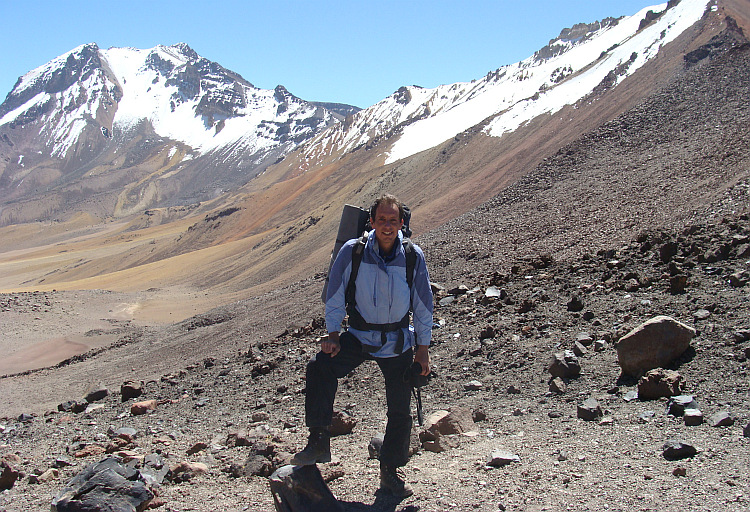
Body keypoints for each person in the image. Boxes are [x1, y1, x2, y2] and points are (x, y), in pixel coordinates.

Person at [291, 194, 433, 498]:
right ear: (371, 222)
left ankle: (389, 472)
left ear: (401, 224)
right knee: (321, 367)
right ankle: (317, 440)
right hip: (359, 335)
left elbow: (423, 305)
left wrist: (423, 348)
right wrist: (332, 334)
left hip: (397, 342)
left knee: (400, 411)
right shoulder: (353, 251)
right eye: (381, 220)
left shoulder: (412, 256)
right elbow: (335, 294)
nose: (386, 226)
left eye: (392, 221)